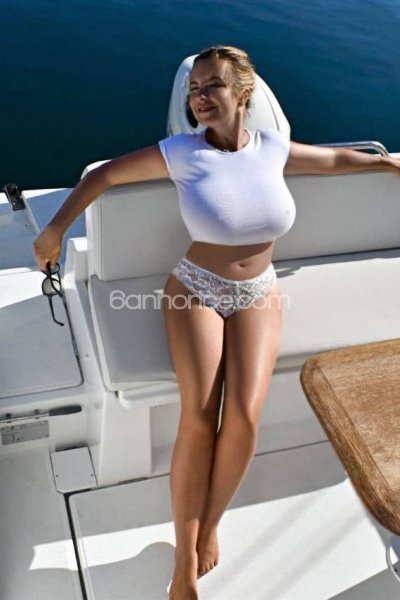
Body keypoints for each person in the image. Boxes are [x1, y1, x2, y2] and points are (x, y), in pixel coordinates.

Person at [33, 45, 400, 600]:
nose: (200, 98)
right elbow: (104, 176)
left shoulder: (271, 148)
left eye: (213, 86)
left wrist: (385, 163)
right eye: (195, 89)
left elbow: (333, 162)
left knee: (245, 420)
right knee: (201, 417)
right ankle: (184, 560)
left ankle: (210, 524)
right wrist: (54, 231)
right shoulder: (182, 153)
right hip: (196, 290)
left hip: (259, 290)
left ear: (243, 94)